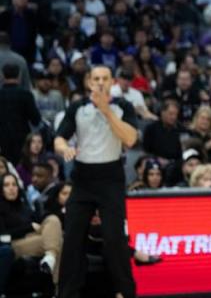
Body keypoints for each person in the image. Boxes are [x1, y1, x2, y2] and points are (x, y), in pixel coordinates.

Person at [54, 65, 138, 298]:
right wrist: (65, 148)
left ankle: (125, 292)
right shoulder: (78, 108)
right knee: (72, 238)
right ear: (89, 83)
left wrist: (106, 111)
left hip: (110, 179)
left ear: (112, 82)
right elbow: (59, 137)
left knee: (114, 239)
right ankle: (68, 293)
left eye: (105, 78)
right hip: (82, 180)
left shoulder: (123, 107)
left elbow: (130, 139)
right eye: (96, 78)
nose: (100, 82)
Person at [1, 172, 63, 282]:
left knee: (53, 219)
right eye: (6, 185)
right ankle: (58, 290)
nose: (11, 188)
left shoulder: (24, 206)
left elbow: (39, 220)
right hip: (14, 244)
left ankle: (50, 256)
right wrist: (29, 227)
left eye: (14, 185)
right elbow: (3, 236)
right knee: (59, 241)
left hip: (34, 237)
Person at [0, 65, 40, 165]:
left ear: (2, 76)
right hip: (22, 139)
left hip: (2, 139)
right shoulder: (26, 95)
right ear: (19, 76)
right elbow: (36, 119)